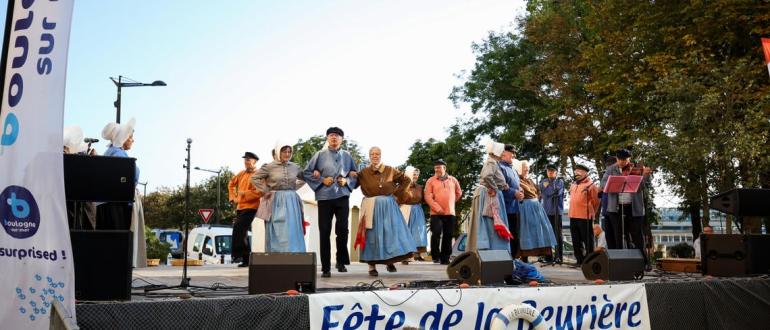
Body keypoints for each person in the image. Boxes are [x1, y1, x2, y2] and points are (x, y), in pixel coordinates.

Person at [303, 127, 358, 277]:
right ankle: (326, 267)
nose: (334, 138)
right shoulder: (319, 155)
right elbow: (306, 173)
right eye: (331, 135)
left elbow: (355, 174)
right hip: (324, 197)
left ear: (342, 139)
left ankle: (341, 262)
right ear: (327, 138)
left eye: (337, 136)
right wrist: (322, 180)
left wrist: (346, 181)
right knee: (325, 231)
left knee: (342, 230)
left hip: (342, 196)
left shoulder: (347, 155)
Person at [354, 147, 416, 276]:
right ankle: (371, 267)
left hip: (388, 206)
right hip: (370, 205)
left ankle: (390, 261)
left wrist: (397, 194)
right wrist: (349, 175)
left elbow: (407, 180)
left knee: (390, 233)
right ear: (369, 156)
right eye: (372, 154)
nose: (375, 156)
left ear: (381, 155)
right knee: (371, 235)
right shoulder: (363, 172)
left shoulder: (390, 169)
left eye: (377, 154)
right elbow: (352, 184)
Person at [100, 118, 146, 267]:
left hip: (109, 203)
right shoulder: (119, 155)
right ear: (123, 138)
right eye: (130, 137)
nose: (133, 140)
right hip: (118, 204)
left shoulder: (109, 152)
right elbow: (129, 177)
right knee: (121, 240)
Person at [600, 149, 653, 268]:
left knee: (637, 236)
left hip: (633, 208)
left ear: (629, 159)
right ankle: (618, 263)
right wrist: (613, 182)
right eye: (619, 160)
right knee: (617, 235)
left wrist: (645, 175)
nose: (622, 162)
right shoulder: (611, 169)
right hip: (616, 208)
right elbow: (603, 185)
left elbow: (643, 186)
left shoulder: (636, 169)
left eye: (625, 160)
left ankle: (643, 262)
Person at [251, 141, 306, 253]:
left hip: (291, 200)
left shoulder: (295, 167)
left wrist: (293, 188)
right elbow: (254, 178)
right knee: (277, 227)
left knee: (292, 228)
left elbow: (305, 178)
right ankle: (276, 254)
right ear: (278, 152)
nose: (287, 154)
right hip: (275, 200)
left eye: (289, 151)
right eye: (284, 151)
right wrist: (265, 190)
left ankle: (294, 254)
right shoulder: (269, 167)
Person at [467, 141, 512, 254]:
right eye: (501, 150)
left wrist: (502, 185)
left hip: (489, 193)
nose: (503, 152)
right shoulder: (491, 162)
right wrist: (495, 187)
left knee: (490, 223)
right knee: (490, 223)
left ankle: (492, 251)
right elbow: (487, 176)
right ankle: (491, 251)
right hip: (488, 195)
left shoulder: (493, 162)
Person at [513, 160, 557, 260]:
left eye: (527, 167)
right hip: (525, 208)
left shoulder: (530, 180)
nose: (527, 169)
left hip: (537, 208)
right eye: (524, 167)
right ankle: (524, 257)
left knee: (542, 230)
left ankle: (546, 255)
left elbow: (537, 192)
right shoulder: (516, 180)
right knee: (527, 232)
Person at [424, 159, 463, 264]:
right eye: (435, 167)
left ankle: (445, 258)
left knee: (448, 235)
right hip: (436, 213)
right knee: (436, 233)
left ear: (444, 168)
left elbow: (459, 193)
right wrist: (438, 208)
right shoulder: (430, 180)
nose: (437, 169)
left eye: (439, 167)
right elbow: (427, 196)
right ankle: (435, 256)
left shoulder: (453, 180)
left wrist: (451, 203)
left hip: (450, 213)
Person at [228, 151, 262, 267]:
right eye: (245, 159)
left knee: (238, 228)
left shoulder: (259, 174)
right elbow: (231, 184)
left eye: (248, 160)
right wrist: (233, 197)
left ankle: (237, 255)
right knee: (243, 232)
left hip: (252, 207)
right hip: (240, 207)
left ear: (255, 161)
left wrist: (243, 194)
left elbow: (259, 192)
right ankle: (247, 260)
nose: (246, 162)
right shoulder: (241, 173)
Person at [568, 164, 600, 265]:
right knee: (576, 240)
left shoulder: (591, 185)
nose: (576, 173)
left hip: (585, 216)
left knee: (587, 240)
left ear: (585, 173)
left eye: (579, 171)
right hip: (573, 215)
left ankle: (590, 260)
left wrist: (592, 212)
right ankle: (579, 260)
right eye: (576, 171)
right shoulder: (573, 184)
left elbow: (596, 202)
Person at [398, 166, 427, 263]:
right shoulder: (402, 186)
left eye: (417, 175)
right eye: (414, 174)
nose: (415, 176)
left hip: (417, 210)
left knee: (418, 232)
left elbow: (424, 199)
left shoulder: (420, 187)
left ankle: (418, 254)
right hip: (405, 209)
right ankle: (405, 256)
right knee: (406, 233)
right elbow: (396, 198)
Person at [498, 145, 524, 258]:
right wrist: (514, 193)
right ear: (504, 153)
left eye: (514, 153)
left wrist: (520, 191)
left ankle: (514, 261)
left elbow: (515, 185)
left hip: (515, 208)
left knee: (516, 237)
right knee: (506, 238)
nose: (513, 155)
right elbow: (500, 188)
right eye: (511, 153)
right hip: (504, 209)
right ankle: (507, 262)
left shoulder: (513, 169)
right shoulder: (499, 167)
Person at [539, 164, 565, 263]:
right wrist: (548, 190)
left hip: (556, 212)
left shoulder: (560, 182)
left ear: (556, 172)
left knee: (558, 235)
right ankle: (548, 257)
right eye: (548, 171)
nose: (550, 172)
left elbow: (556, 192)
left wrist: (548, 188)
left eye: (552, 171)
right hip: (546, 212)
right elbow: (543, 192)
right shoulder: (543, 182)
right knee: (546, 235)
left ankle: (559, 257)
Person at [600, 156, 618, 249]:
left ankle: (617, 254)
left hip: (614, 209)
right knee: (608, 234)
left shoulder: (617, 174)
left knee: (616, 233)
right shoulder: (606, 175)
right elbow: (602, 188)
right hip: (605, 209)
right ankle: (611, 253)